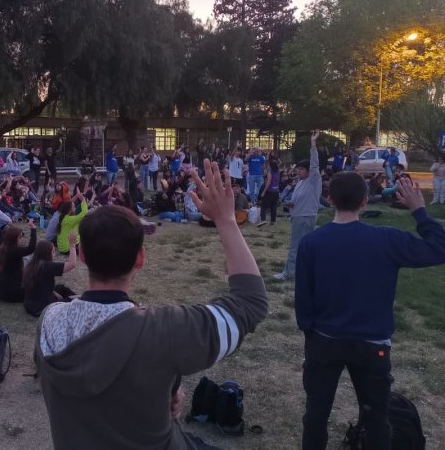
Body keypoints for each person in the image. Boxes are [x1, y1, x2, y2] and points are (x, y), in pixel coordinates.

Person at [35, 163, 268, 450]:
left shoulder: (48, 322)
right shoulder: (164, 331)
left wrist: (166, 388)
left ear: (81, 256)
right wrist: (226, 221)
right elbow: (251, 302)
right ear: (140, 259)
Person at [295, 173, 445, 449]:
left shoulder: (312, 242)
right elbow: (439, 247)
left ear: (329, 199)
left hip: (325, 340)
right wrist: (419, 210)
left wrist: (311, 334)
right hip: (372, 343)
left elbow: (303, 300)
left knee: (316, 415)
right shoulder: (386, 239)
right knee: (376, 418)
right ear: (365, 201)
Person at [274, 130, 322, 281]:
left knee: (296, 247)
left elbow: (315, 165)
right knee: (302, 247)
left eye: (301, 169)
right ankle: (304, 272)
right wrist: (289, 203)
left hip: (305, 217)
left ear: (308, 171)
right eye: (298, 169)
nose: (298, 172)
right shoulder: (300, 183)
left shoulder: (314, 180)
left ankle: (288, 273)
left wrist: (313, 144)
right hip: (298, 216)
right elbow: (297, 200)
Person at [23, 234, 78, 317]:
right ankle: (80, 301)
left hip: (30, 304)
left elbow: (38, 286)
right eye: (53, 252)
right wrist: (72, 245)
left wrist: (54, 293)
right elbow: (72, 264)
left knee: (61, 288)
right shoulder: (47, 266)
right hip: (41, 308)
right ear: (46, 254)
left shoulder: (33, 264)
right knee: (71, 300)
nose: (54, 254)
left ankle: (77, 298)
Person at [0, 221, 37, 302]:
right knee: (37, 290)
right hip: (10, 292)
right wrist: (33, 229)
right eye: (20, 237)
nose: (21, 239)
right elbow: (31, 249)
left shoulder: (2, 248)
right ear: (14, 238)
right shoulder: (13, 250)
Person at [55, 190, 88, 255]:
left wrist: (77, 196)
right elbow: (84, 213)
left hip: (62, 248)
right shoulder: (70, 219)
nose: (75, 208)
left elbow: (68, 204)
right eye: (74, 207)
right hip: (68, 249)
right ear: (70, 210)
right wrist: (83, 200)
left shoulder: (64, 217)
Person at [259, 160, 280, 225]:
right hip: (276, 191)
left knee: (263, 206)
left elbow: (268, 182)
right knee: (273, 206)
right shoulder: (278, 171)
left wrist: (264, 191)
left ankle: (263, 220)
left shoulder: (270, 171)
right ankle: (273, 221)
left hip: (270, 191)